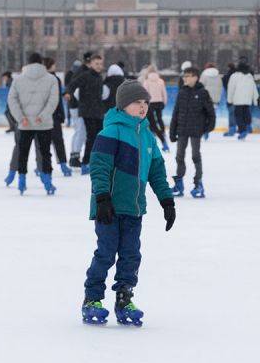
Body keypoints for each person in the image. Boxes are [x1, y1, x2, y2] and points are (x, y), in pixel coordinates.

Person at [81, 81, 175, 327]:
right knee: (105, 254)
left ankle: (124, 297)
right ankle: (92, 298)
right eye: (137, 102)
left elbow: (157, 171)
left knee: (131, 256)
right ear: (123, 105)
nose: (143, 107)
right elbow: (99, 168)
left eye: (145, 102)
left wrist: (166, 201)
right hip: (109, 208)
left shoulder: (147, 136)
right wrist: (101, 198)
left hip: (134, 209)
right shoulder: (110, 133)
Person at [6, 52, 59, 195]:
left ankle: (21, 180)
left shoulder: (18, 79)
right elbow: (53, 100)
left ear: (28, 63)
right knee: (45, 153)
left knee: (23, 152)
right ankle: (47, 181)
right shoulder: (51, 79)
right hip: (44, 124)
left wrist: (20, 117)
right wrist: (43, 116)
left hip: (25, 123)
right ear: (42, 62)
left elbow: (12, 99)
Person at [168, 66, 216, 198]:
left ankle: (198, 183)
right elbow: (176, 113)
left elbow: (211, 113)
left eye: (187, 76)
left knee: (195, 156)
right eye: (184, 76)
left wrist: (207, 128)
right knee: (179, 156)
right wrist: (172, 131)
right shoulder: (181, 92)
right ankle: (179, 184)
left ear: (195, 77)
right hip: (182, 130)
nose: (185, 78)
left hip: (196, 130)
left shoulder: (203, 93)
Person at [71, 52, 107, 173]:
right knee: (91, 137)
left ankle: (93, 161)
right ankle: (86, 162)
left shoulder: (99, 77)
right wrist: (67, 93)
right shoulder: (85, 75)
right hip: (87, 112)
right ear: (90, 64)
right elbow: (73, 84)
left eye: (100, 64)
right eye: (96, 64)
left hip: (97, 112)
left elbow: (100, 96)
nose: (98, 66)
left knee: (98, 137)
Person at [43, 57, 71, 176]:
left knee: (45, 142)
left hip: (45, 115)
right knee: (56, 140)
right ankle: (62, 164)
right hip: (52, 114)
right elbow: (57, 99)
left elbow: (57, 96)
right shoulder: (53, 79)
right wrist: (60, 114)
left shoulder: (50, 79)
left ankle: (44, 164)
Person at [139, 64, 168, 152]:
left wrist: (143, 105)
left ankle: (150, 144)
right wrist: (164, 102)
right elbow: (164, 93)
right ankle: (163, 138)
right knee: (159, 119)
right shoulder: (160, 81)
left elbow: (144, 94)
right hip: (159, 102)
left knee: (150, 124)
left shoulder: (146, 81)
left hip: (150, 103)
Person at [226, 61, 257, 139]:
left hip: (238, 100)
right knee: (246, 114)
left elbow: (231, 88)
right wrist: (255, 100)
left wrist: (229, 100)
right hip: (247, 100)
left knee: (238, 116)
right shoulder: (249, 76)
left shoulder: (234, 76)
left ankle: (242, 131)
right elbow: (254, 89)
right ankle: (247, 128)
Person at [200, 63, 223, 140]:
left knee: (203, 115)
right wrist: (218, 99)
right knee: (211, 116)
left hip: (205, 99)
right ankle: (207, 130)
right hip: (215, 99)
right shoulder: (218, 76)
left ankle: (204, 130)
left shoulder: (204, 75)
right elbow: (220, 87)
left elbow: (200, 86)